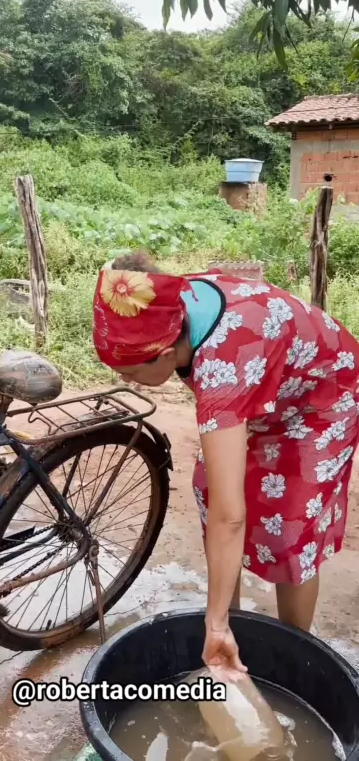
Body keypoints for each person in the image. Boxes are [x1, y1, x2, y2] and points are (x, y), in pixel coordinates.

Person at [91, 252, 359, 672]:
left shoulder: (223, 365)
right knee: (209, 488)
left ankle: (293, 658)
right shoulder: (165, 301)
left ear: (167, 353)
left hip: (323, 397)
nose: (125, 379)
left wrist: (210, 623)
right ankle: (228, 625)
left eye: (131, 371)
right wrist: (218, 619)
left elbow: (230, 518)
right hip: (266, 383)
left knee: (290, 529)